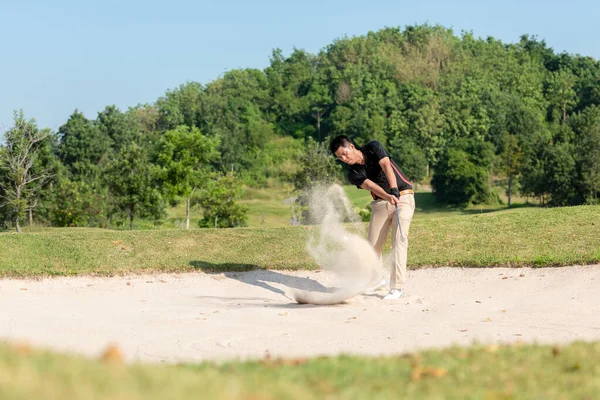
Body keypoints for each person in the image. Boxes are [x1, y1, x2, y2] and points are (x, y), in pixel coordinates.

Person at [330, 135, 416, 300]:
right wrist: (388, 195)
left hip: (403, 197)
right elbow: (371, 186)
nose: (344, 159)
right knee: (372, 248)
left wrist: (394, 189)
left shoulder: (373, 147)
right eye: (340, 157)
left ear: (352, 146)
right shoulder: (353, 173)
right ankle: (377, 280)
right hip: (381, 203)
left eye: (345, 153)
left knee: (399, 241)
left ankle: (397, 287)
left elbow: (386, 166)